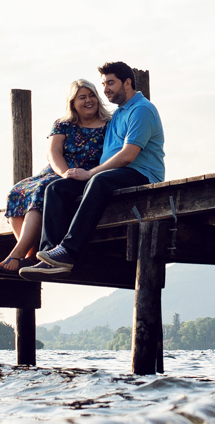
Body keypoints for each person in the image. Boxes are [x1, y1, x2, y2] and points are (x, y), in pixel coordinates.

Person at [21, 60, 164, 277]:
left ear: (127, 83)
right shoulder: (119, 113)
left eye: (110, 83)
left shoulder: (142, 109)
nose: (105, 89)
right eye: (104, 84)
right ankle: (49, 255)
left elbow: (128, 156)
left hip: (141, 173)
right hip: (112, 174)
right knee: (57, 188)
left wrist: (90, 173)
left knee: (99, 180)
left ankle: (68, 250)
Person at [0, 80, 109, 275]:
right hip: (59, 171)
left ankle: (19, 253)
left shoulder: (108, 124)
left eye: (92, 96)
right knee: (16, 192)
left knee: (41, 191)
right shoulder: (63, 124)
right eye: (82, 97)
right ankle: (32, 255)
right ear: (73, 102)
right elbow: (53, 153)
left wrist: (77, 175)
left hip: (86, 173)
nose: (89, 100)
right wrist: (64, 173)